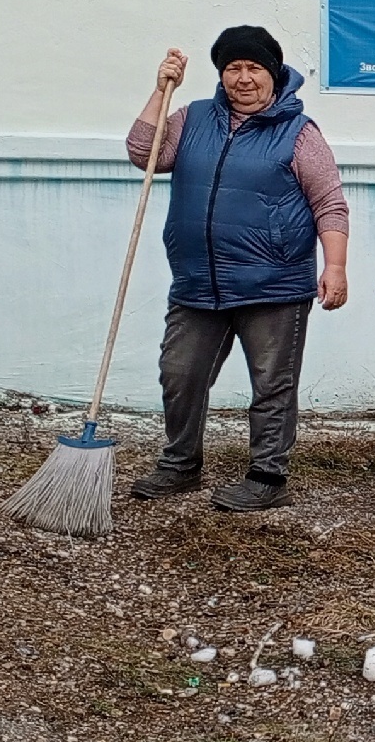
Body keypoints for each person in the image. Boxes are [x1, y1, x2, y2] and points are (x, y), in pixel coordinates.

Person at [126, 28, 349, 512]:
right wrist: (162, 91)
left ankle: (268, 476)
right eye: (232, 68)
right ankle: (180, 464)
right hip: (197, 282)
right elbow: (145, 154)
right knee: (179, 374)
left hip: (273, 285)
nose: (243, 78)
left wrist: (335, 266)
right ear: (221, 74)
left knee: (271, 385)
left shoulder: (298, 133)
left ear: (274, 73)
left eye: (254, 68)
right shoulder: (192, 119)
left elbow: (329, 203)